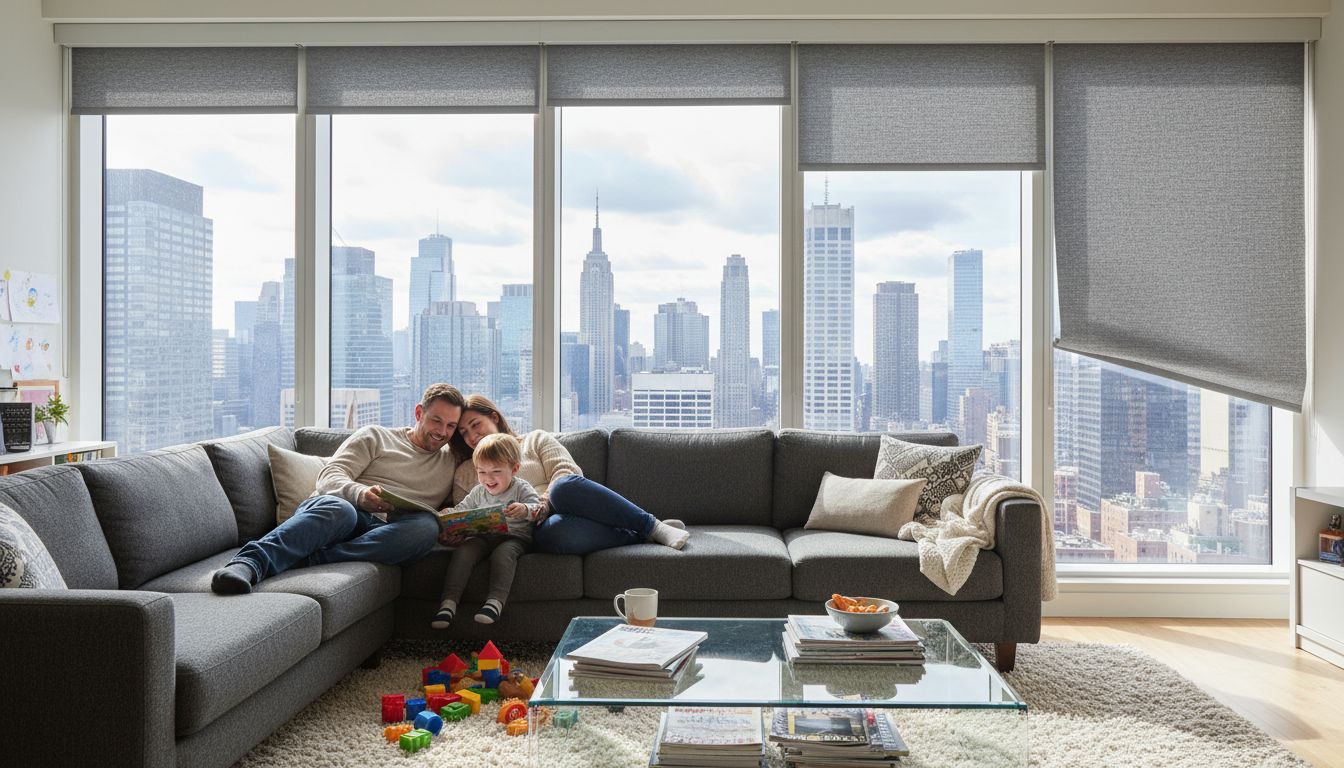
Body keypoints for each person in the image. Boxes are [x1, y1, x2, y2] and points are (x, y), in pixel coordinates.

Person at [210, 384, 466, 595]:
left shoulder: (452, 461)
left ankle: (309, 558)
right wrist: (360, 495)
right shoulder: (376, 436)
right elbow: (329, 475)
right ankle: (248, 563)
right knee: (343, 511)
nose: (442, 432)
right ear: (419, 413)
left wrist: (451, 528)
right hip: (336, 513)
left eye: (451, 426)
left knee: (426, 528)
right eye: (436, 420)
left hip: (385, 533)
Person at [448, 394, 688, 556]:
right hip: (533, 530)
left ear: (494, 417)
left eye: (475, 424)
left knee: (563, 486)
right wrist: (458, 531)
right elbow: (466, 516)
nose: (471, 436)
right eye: (464, 432)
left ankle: (651, 525)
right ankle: (638, 535)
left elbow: (569, 471)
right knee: (553, 535)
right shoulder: (465, 472)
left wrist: (542, 503)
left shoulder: (534, 440)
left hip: (561, 504)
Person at [432, 432, 543, 629]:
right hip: (483, 536)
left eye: (496, 471)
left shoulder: (521, 488)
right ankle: (448, 603)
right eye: (481, 472)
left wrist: (525, 509)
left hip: (513, 538)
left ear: (514, 469)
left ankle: (495, 603)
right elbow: (462, 509)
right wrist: (449, 514)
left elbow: (539, 510)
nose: (488, 478)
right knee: (464, 551)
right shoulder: (478, 491)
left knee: (503, 554)